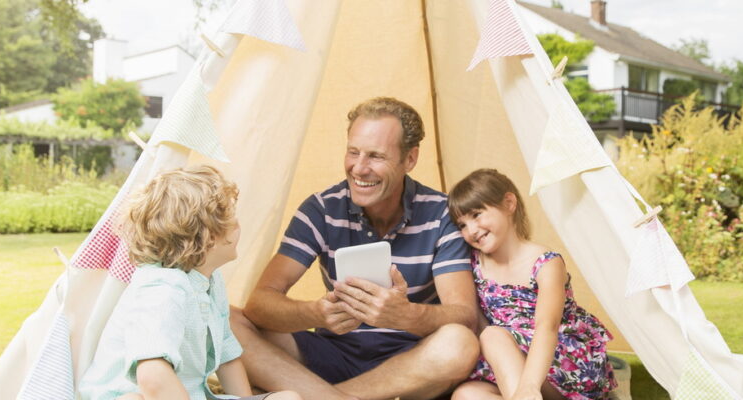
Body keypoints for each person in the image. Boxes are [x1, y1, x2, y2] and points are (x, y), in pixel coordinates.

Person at [231, 97, 480, 399]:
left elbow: (464, 315)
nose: (359, 168)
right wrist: (316, 313)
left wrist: (405, 316)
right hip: (331, 353)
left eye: (375, 156)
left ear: (410, 159)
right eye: (353, 152)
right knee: (227, 319)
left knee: (460, 342)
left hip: (411, 362)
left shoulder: (442, 213)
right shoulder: (321, 209)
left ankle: (324, 396)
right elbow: (259, 304)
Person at [78, 165, 300, 400]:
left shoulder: (210, 280)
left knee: (288, 399)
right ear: (208, 238)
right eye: (230, 220)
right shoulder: (162, 289)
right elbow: (152, 378)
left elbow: (226, 352)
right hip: (130, 395)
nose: (238, 225)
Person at [446, 169, 616, 400]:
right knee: (467, 395)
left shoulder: (546, 263)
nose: (471, 230)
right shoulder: (474, 264)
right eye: (462, 225)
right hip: (510, 362)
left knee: (492, 336)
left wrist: (529, 386)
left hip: (560, 360)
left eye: (476, 214)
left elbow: (547, 327)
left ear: (509, 203)